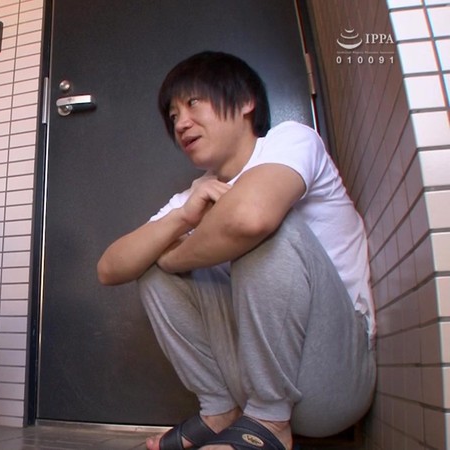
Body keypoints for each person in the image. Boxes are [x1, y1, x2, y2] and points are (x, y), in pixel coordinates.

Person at [97, 52, 376, 450]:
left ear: (246, 101)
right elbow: (109, 268)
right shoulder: (195, 194)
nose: (181, 123)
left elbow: (250, 218)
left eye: (193, 103)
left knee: (262, 226)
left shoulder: (290, 140)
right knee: (151, 265)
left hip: (332, 377)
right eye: (173, 116)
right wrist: (181, 218)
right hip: (252, 377)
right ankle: (219, 412)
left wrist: (174, 255)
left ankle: (270, 421)